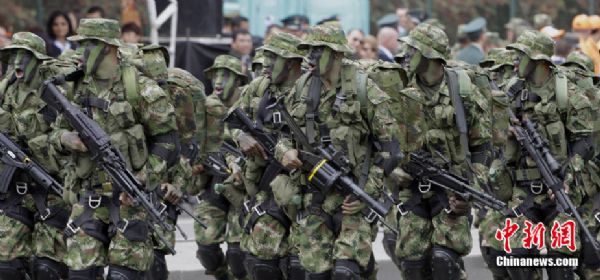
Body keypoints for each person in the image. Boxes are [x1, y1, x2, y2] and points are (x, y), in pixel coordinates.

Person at [51, 18, 180, 279]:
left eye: (88, 44)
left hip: (130, 199)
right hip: (89, 196)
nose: (81, 51)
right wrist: (67, 139)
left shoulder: (141, 89)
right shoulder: (75, 87)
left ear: (108, 47)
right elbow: (54, 133)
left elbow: (169, 142)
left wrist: (144, 178)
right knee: (80, 274)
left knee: (124, 276)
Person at [276, 23, 401, 279]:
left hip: (354, 195)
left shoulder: (364, 89)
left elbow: (391, 151)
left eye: (317, 51)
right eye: (308, 50)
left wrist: (366, 193)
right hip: (314, 197)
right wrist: (285, 152)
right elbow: (282, 136)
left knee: (346, 272)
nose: (309, 57)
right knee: (316, 274)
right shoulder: (301, 88)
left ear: (335, 54)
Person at [393, 23, 491, 280]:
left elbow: (481, 147)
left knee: (444, 262)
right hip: (411, 191)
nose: (405, 54)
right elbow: (379, 140)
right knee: (413, 266)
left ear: (428, 55)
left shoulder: (462, 90)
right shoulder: (399, 88)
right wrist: (392, 169)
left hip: (450, 192)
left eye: (411, 50)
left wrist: (471, 192)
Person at [500, 29, 594, 280]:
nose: (515, 61)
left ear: (538, 60)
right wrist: (504, 132)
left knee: (559, 264)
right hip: (524, 189)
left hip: (561, 188)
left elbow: (585, 142)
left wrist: (566, 178)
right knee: (517, 258)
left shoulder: (568, 93)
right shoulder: (511, 92)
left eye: (521, 55)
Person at [0, 31, 75, 280]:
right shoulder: (8, 90)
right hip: (17, 189)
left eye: (25, 55)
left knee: (48, 270)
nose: (17, 61)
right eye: (14, 55)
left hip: (52, 190)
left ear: (38, 60)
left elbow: (71, 141)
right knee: (7, 268)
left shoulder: (56, 92)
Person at [233, 31, 306, 280]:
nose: (266, 64)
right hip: (267, 183)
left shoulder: (311, 89)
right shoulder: (258, 88)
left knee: (300, 265)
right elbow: (231, 122)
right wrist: (241, 138)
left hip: (307, 185)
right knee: (261, 262)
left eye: (273, 58)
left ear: (291, 62)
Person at [137, 44, 203, 280]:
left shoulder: (179, 92)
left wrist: (177, 184)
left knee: (154, 252)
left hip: (164, 180)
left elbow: (188, 145)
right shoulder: (124, 91)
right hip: (129, 175)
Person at [193, 54, 248, 280]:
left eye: (225, 75)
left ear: (238, 80)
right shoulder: (205, 108)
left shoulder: (248, 105)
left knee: (237, 254)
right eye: (215, 74)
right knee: (206, 248)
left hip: (242, 187)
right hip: (213, 184)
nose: (218, 80)